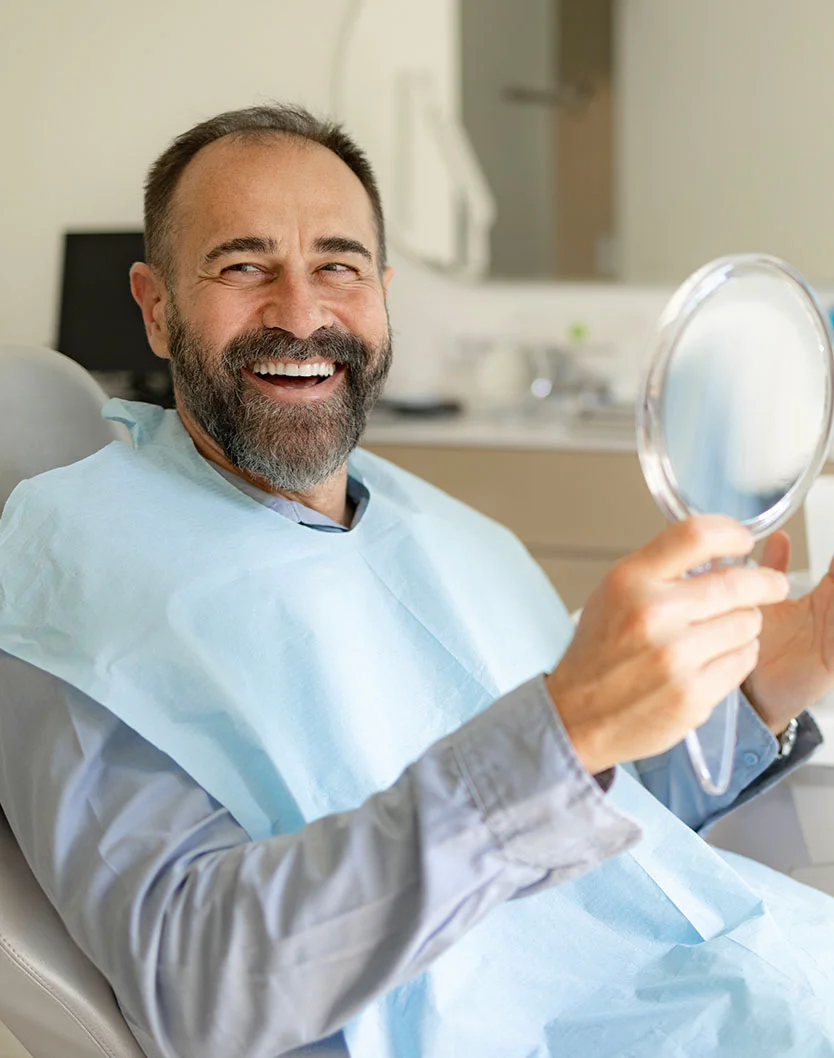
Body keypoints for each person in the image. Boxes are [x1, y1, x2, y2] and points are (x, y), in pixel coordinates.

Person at [1, 104, 833, 1058]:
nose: (302, 312)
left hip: (731, 983)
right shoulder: (72, 581)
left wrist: (805, 646)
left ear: (383, 294)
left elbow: (593, 823)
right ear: (155, 306)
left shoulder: (430, 523)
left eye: (339, 267)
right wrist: (566, 730)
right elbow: (202, 984)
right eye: (242, 266)